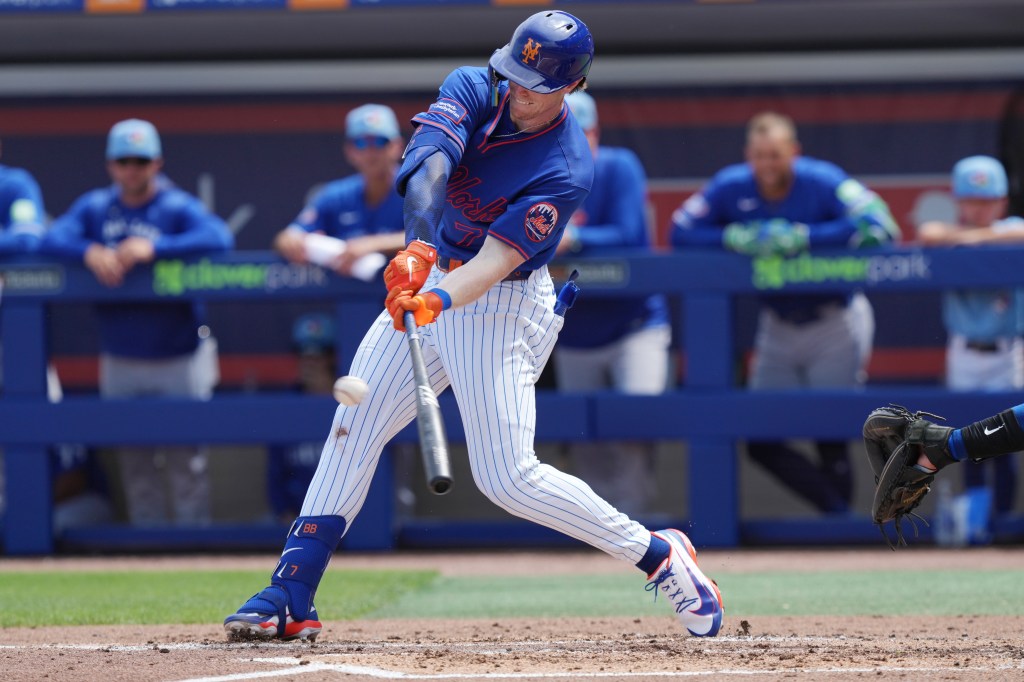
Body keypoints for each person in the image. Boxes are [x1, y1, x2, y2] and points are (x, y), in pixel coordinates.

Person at [224, 10, 723, 642]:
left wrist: (433, 299)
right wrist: (417, 250)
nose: (518, 91)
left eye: (535, 85)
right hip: (435, 268)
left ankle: (657, 554)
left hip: (500, 304)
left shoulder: (566, 167)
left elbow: (493, 265)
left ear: (572, 86)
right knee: (355, 422)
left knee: (507, 479)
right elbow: (429, 166)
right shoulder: (474, 84)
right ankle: (291, 591)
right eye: (514, 75)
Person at [671, 111, 900, 514]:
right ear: (749, 155)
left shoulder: (821, 178)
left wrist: (805, 236)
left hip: (833, 318)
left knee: (829, 431)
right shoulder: (731, 184)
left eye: (776, 155)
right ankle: (838, 515)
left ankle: (838, 527)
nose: (768, 164)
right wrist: (732, 236)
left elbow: (880, 224)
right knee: (761, 437)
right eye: (760, 156)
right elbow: (680, 231)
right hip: (776, 323)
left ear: (793, 152)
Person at [41, 118, 234, 526]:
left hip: (178, 352)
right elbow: (51, 238)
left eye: (141, 161)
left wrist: (156, 247)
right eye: (124, 161)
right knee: (134, 460)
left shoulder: (175, 205)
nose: (132, 169)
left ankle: (194, 546)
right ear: (111, 165)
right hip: (120, 354)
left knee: (186, 459)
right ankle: (148, 544)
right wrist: (89, 251)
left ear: (156, 163)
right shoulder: (96, 207)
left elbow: (219, 237)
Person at [552, 91, 670, 516]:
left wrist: (573, 239)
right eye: (563, 133)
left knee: (633, 425)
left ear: (595, 133)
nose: (573, 142)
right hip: (573, 329)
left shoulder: (619, 166)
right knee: (585, 435)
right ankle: (596, 526)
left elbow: (627, 232)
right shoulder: (540, 175)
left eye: (581, 132)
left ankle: (635, 520)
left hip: (632, 324)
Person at [918, 155, 1024, 542]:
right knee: (967, 438)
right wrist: (965, 236)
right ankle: (976, 526)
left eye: (988, 200)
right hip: (964, 353)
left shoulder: (1010, 228)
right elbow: (928, 233)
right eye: (972, 201)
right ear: (959, 201)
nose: (980, 209)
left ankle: (1002, 524)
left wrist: (976, 239)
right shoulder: (948, 232)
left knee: (1007, 441)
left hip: (1008, 352)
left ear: (1002, 201)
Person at [272, 104, 406, 280]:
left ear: (397, 146)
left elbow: (433, 237)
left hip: (412, 291)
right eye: (361, 143)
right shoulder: (335, 195)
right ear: (349, 151)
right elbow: (290, 235)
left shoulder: (418, 189)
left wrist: (373, 244)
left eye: (379, 141)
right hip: (346, 292)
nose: (370, 151)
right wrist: (290, 241)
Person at [265, 313, 337, 523]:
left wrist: (327, 393)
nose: (310, 363)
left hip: (346, 516)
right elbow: (275, 475)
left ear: (331, 358)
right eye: (304, 355)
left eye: (318, 355)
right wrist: (284, 512)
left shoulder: (349, 402)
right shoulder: (287, 406)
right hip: (298, 518)